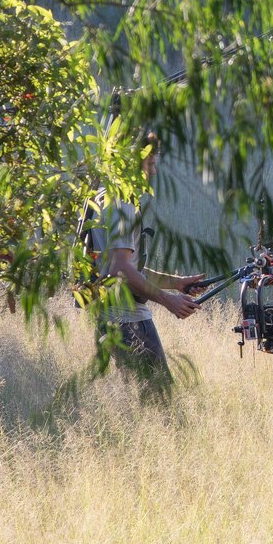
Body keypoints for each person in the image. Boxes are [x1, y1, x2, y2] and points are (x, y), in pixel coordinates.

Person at [85, 136, 204, 394]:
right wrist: (168, 300)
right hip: (129, 321)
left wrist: (177, 283)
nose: (153, 170)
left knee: (139, 408)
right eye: (149, 163)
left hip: (112, 319)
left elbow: (128, 268)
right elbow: (120, 269)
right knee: (163, 406)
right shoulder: (122, 204)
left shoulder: (105, 196)